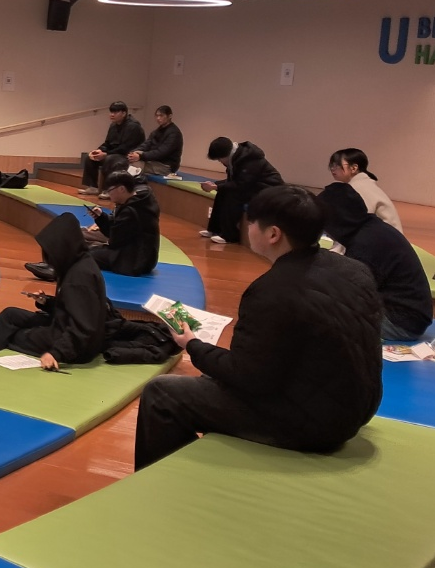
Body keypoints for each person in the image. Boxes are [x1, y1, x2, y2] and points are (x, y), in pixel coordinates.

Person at [135, 186, 382, 470]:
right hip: (358, 409)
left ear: (273, 234)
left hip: (316, 425)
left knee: (162, 393)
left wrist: (192, 344)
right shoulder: (354, 270)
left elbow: (248, 376)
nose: (247, 227)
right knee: (207, 384)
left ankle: (164, 481)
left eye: (251, 222)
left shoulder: (272, 291)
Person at [0, 213, 124, 368]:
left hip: (76, 346)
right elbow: (75, 308)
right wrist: (48, 302)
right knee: (10, 315)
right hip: (63, 326)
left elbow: (83, 328)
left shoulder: (79, 277)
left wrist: (56, 353)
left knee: (11, 336)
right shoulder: (78, 263)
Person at [318, 183, 432, 341]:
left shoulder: (365, 243)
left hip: (402, 322)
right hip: (409, 315)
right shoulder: (371, 228)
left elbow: (356, 295)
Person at [26, 171, 159, 281]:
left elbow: (114, 240)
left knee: (85, 252)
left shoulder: (131, 211)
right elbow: (116, 233)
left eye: (110, 190)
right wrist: (101, 218)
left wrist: (101, 227)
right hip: (137, 254)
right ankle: (53, 265)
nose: (108, 194)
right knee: (85, 246)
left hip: (133, 260)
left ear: (122, 189)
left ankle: (55, 270)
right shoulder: (140, 201)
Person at [200, 137, 284, 244]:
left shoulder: (249, 159)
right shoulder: (236, 158)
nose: (220, 162)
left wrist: (216, 187)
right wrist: (215, 185)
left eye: (219, 159)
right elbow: (236, 181)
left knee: (233, 195)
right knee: (223, 192)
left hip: (269, 190)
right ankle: (214, 229)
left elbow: (242, 184)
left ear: (225, 155)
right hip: (254, 187)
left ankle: (230, 235)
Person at [329, 148, 403, 233]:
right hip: (385, 237)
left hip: (385, 241)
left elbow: (353, 224)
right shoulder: (362, 184)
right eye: (332, 165)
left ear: (353, 168)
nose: (332, 168)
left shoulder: (359, 188)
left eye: (337, 165)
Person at [79, 101, 145, 196]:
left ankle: (109, 190)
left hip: (127, 155)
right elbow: (108, 143)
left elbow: (125, 147)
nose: (112, 115)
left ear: (123, 113)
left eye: (115, 112)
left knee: (110, 159)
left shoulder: (133, 126)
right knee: (90, 158)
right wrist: (99, 150)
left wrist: (106, 154)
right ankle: (92, 187)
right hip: (114, 153)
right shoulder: (113, 125)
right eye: (111, 112)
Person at [129, 106, 183, 176]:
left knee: (136, 165)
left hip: (166, 166)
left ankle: (132, 184)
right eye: (157, 116)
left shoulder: (174, 133)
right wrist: (134, 153)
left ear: (170, 116)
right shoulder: (157, 131)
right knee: (130, 159)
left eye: (161, 115)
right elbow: (146, 145)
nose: (158, 118)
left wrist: (141, 156)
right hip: (154, 161)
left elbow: (162, 152)